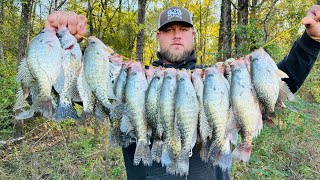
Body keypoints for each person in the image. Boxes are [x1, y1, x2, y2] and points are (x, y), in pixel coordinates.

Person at [46, 5, 320, 180]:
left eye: (183, 29)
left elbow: (273, 86)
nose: (176, 34)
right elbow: (82, 89)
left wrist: (311, 41)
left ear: (192, 35)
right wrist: (60, 42)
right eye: (168, 30)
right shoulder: (128, 79)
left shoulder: (219, 80)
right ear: (158, 36)